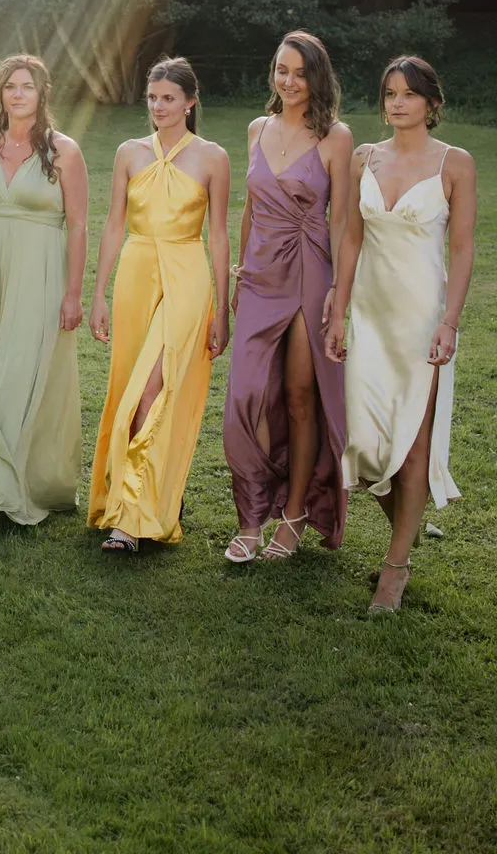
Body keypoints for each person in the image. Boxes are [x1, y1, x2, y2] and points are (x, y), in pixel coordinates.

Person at [326, 56, 475, 614]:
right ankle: (404, 538)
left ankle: (395, 567)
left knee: (412, 449)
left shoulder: (455, 164)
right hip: (367, 312)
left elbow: (462, 249)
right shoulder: (366, 157)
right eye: (390, 93)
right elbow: (349, 240)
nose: (397, 102)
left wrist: (449, 321)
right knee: (364, 446)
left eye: (410, 94)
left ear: (431, 104)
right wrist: (338, 309)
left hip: (419, 318)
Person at [88, 58, 230, 553]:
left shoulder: (213, 157)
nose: (159, 107)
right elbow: (112, 225)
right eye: (152, 98)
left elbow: (218, 237)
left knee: (155, 387)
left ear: (190, 101)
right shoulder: (129, 153)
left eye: (169, 98)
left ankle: (131, 521)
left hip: (188, 275)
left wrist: (224, 308)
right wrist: (98, 294)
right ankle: (141, 495)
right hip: (135, 270)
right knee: (127, 387)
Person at [222, 32, 352, 561]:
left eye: (300, 73)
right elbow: (250, 208)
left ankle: (293, 513)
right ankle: (251, 514)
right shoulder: (257, 128)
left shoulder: (334, 137)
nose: (289, 81)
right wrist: (238, 277)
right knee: (245, 400)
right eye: (281, 70)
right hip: (258, 275)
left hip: (308, 274)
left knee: (300, 400)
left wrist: (339, 294)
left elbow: (341, 221)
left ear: (316, 77)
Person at [0, 55, 87, 537]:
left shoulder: (64, 151)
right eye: (9, 86)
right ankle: (22, 478)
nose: (17, 94)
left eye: (27, 86)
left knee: (14, 376)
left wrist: (74, 293)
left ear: (42, 93)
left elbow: (79, 226)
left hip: (41, 273)